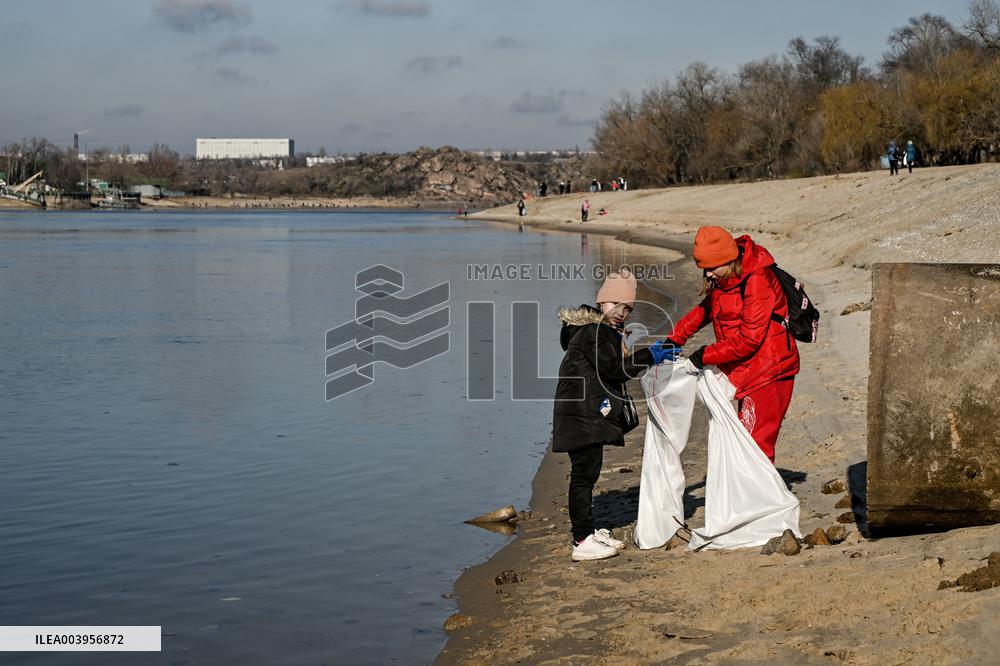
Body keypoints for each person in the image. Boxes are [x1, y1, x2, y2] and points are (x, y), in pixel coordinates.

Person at [552, 271, 680, 561]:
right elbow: (613, 370)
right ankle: (582, 540)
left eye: (627, 309)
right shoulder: (595, 332)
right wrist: (651, 355)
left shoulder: (593, 331)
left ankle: (587, 530)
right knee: (584, 477)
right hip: (581, 415)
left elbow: (609, 368)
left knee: (588, 472)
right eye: (616, 305)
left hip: (580, 412)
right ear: (601, 302)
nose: (621, 313)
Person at [665, 226, 799, 463]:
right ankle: (748, 496)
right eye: (703, 268)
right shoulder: (724, 279)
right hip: (746, 368)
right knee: (744, 439)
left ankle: (765, 498)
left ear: (728, 259)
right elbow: (705, 311)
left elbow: (749, 339)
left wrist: (704, 355)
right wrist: (674, 339)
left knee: (756, 444)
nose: (707, 275)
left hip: (770, 370)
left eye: (710, 267)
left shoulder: (757, 280)